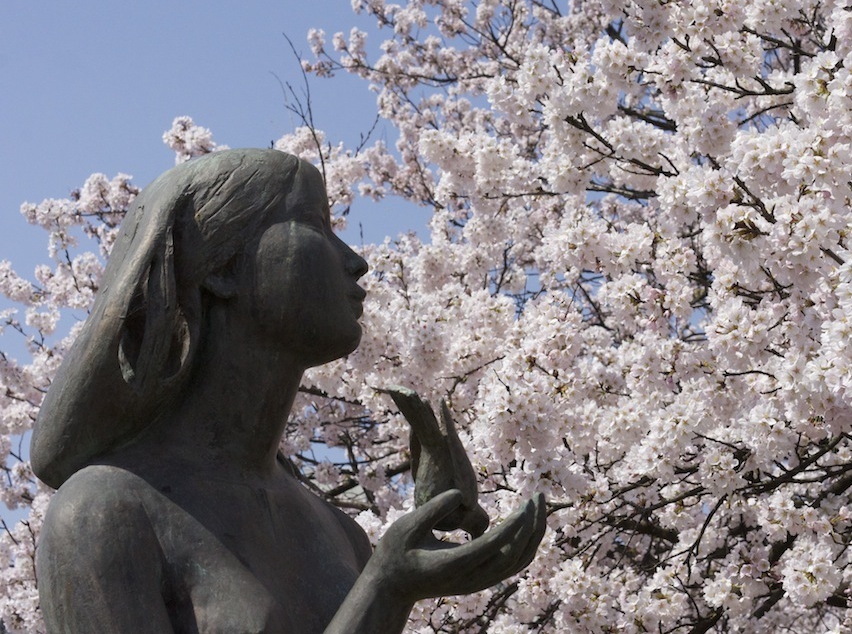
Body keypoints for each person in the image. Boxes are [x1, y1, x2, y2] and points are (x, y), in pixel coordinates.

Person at [31, 149, 546, 634]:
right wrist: (386, 590)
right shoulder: (104, 513)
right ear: (223, 267)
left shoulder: (339, 535)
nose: (355, 261)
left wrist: (397, 580)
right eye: (315, 224)